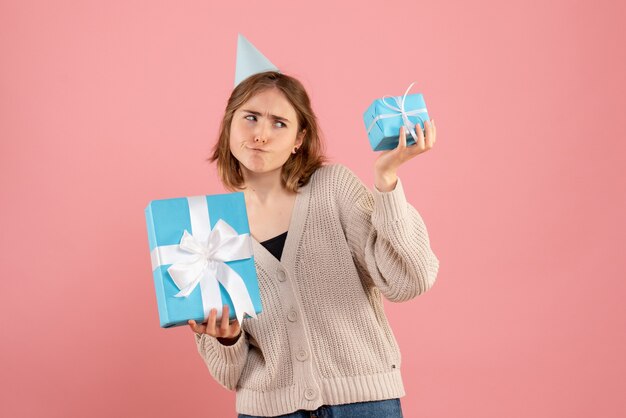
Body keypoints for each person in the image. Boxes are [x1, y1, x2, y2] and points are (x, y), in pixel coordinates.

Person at [187, 70, 439, 418]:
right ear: (230, 124)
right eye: (250, 117)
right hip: (269, 411)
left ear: (299, 138)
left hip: (364, 404)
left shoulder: (333, 189)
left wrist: (386, 181)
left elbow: (408, 281)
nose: (260, 134)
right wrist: (226, 339)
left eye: (279, 123)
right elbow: (229, 374)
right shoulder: (207, 233)